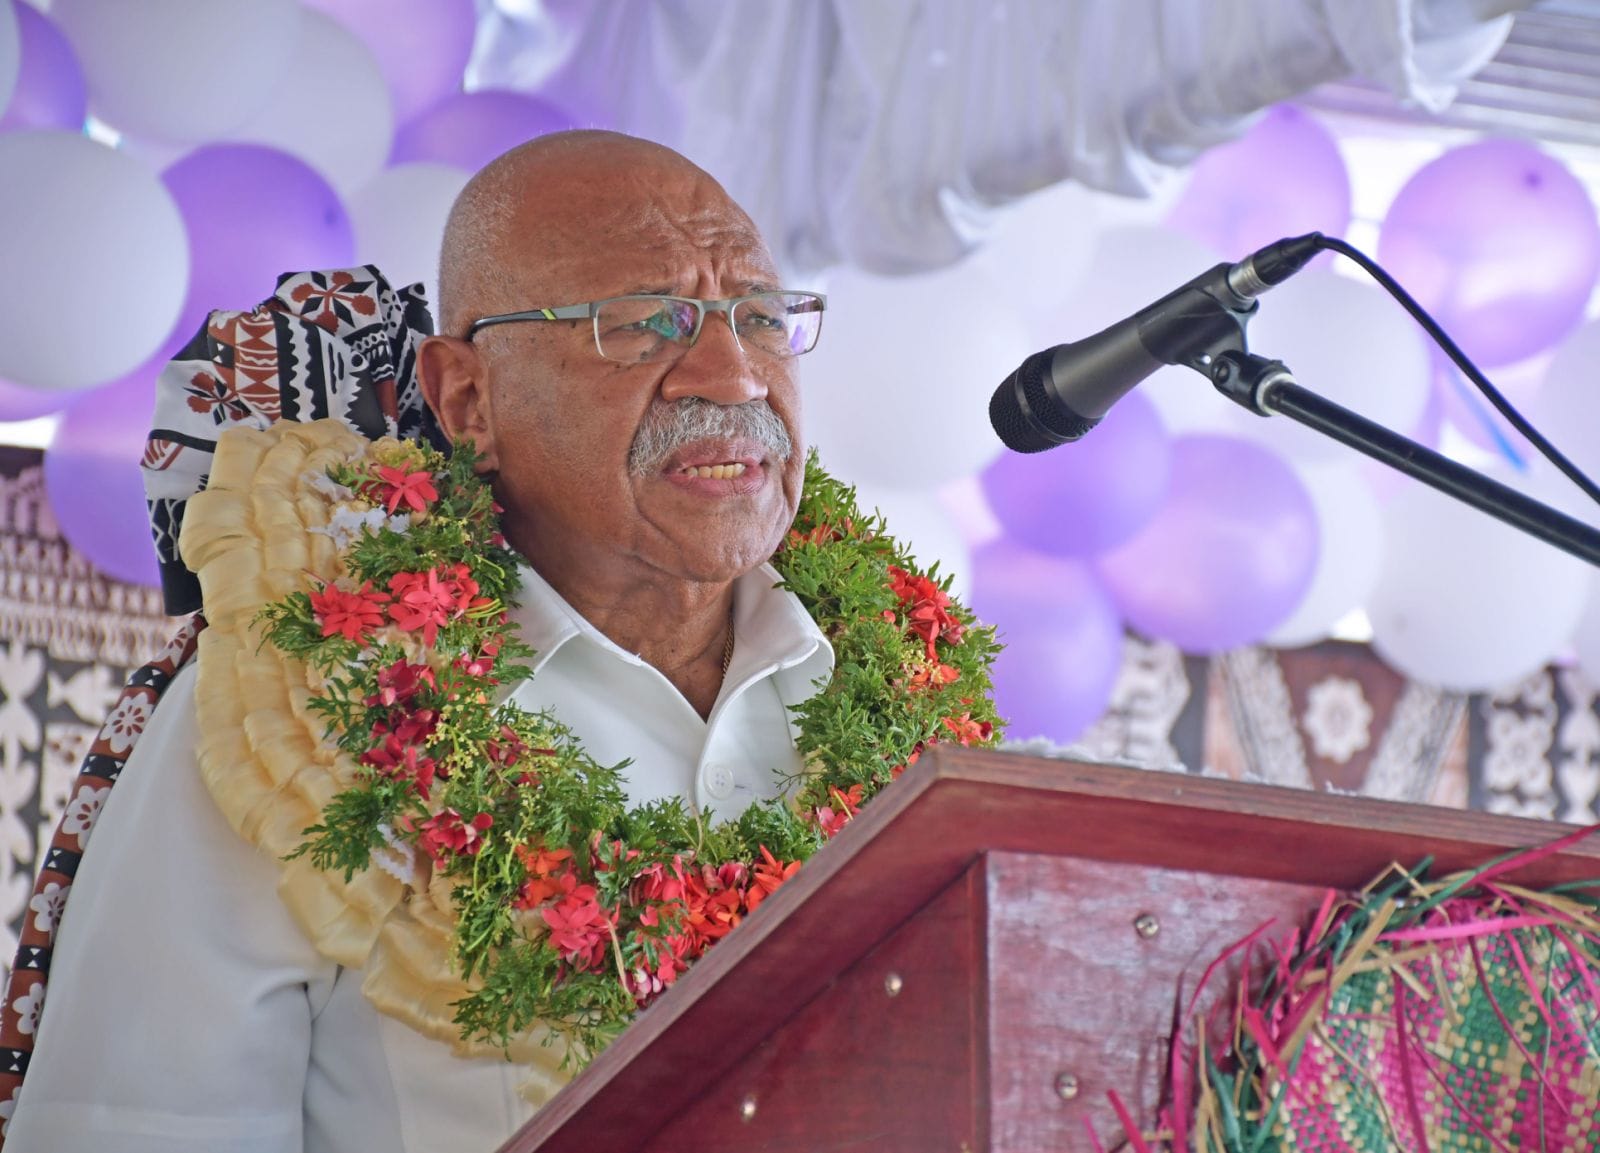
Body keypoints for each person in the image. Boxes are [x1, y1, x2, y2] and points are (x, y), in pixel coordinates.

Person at [5, 130, 837, 1153]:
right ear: (466, 399)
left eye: (758, 317)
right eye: (643, 323)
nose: (734, 375)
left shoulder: (892, 702)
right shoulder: (303, 721)